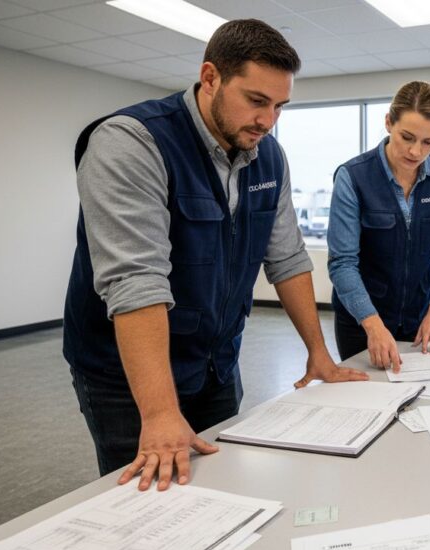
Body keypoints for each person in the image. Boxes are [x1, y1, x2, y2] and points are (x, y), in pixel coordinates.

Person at [63, 19, 367, 492]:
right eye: (256, 100)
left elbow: (286, 257)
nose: (267, 121)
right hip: (127, 376)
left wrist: (318, 354)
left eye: (280, 106)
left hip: (215, 362)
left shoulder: (267, 156)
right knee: (148, 499)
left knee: (220, 489)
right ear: (210, 78)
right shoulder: (131, 142)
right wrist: (161, 412)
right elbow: (136, 281)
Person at [327, 81, 430, 371]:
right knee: (368, 400)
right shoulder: (353, 177)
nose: (416, 151)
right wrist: (373, 326)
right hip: (361, 320)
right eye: (407, 137)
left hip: (419, 315)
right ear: (389, 122)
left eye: (428, 142)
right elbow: (342, 263)